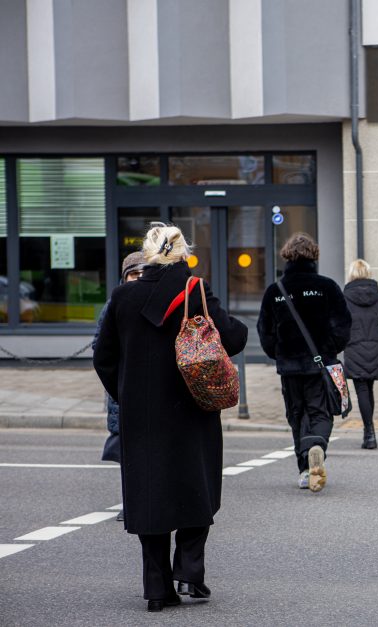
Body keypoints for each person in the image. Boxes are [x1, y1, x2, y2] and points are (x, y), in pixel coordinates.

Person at [93, 223, 247, 612]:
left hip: (142, 416)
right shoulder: (196, 291)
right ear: (183, 252)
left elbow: (104, 356)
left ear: (148, 254)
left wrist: (125, 391)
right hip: (193, 409)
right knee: (199, 490)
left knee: (149, 498)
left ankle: (157, 588)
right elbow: (233, 337)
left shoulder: (123, 296)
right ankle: (190, 572)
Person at [257, 233, 351, 492]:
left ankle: (303, 468)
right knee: (321, 411)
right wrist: (330, 349)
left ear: (287, 255)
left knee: (297, 414)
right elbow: (343, 327)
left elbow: (264, 331)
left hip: (290, 366)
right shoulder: (327, 286)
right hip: (321, 364)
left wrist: (280, 353)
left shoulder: (275, 290)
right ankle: (317, 446)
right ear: (314, 255)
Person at [93, 251, 147, 523]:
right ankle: (131, 504)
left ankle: (145, 502)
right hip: (123, 392)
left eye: (142, 273)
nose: (137, 279)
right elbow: (100, 346)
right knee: (128, 456)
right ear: (124, 277)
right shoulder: (114, 304)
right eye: (132, 274)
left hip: (146, 392)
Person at [342, 259, 378, 450]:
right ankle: (370, 431)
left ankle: (369, 433)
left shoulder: (344, 297)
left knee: (362, 389)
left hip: (354, 348)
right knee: (368, 388)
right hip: (375, 347)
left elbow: (338, 323)